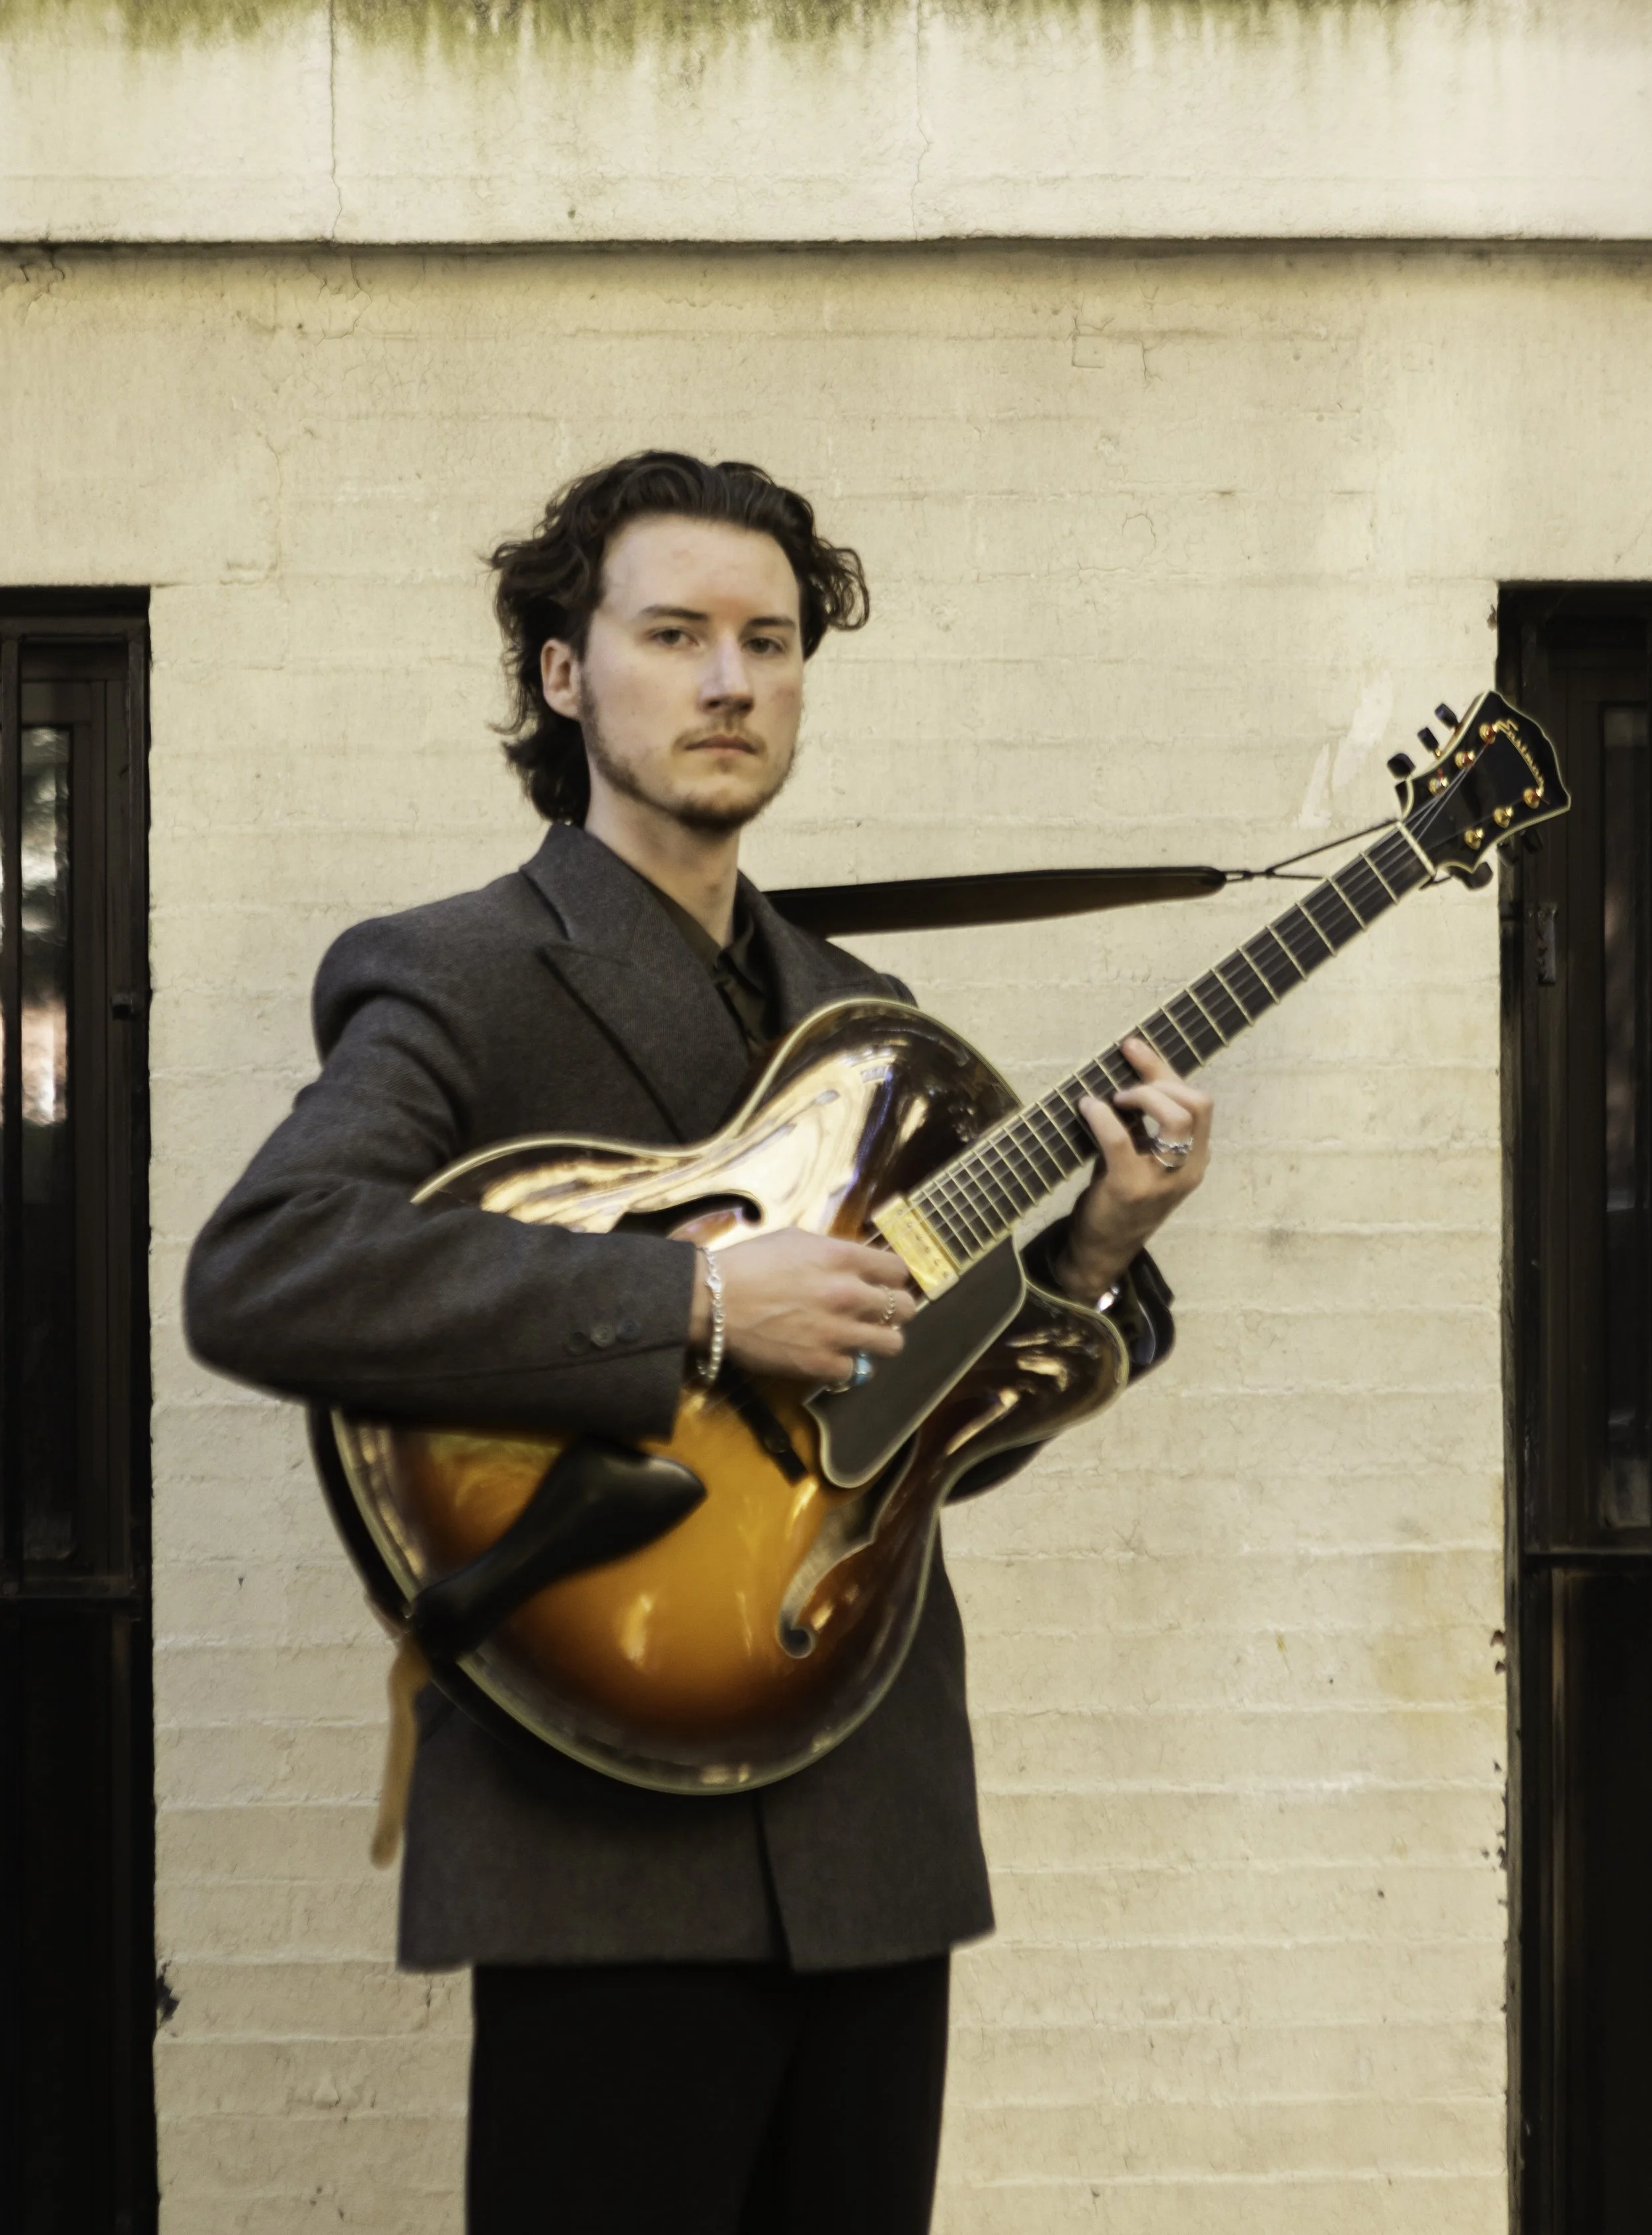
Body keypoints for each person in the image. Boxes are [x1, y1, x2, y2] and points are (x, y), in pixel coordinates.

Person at [185, 451, 1213, 2234]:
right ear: (564, 675)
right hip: (598, 1829)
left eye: (771, 638)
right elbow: (266, 1268)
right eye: (672, 634)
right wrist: (697, 1304)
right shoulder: (459, 974)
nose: (731, 679)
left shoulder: (866, 1026)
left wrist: (1096, 1249)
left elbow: (914, 1433)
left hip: (874, 1820)